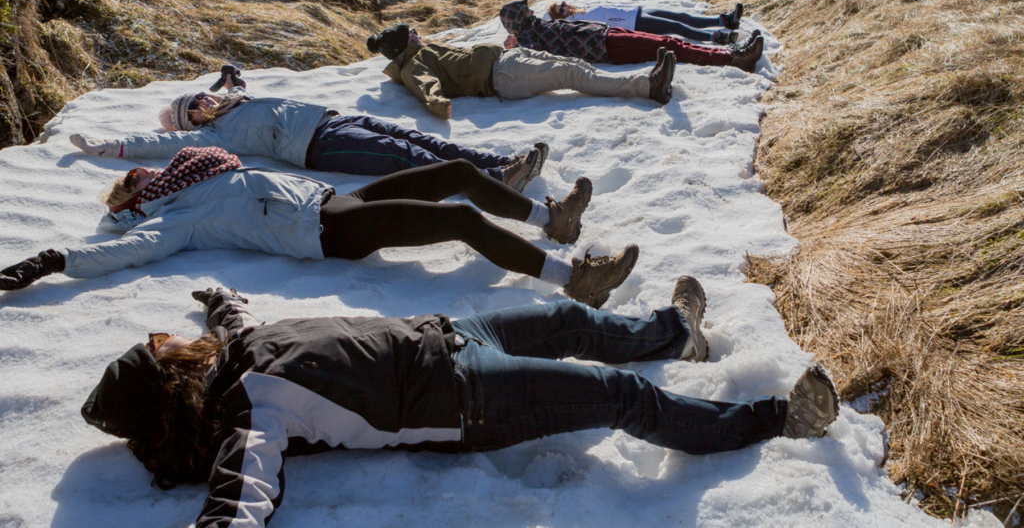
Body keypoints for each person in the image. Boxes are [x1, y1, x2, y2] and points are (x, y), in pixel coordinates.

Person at [80, 280, 840, 528]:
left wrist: (217, 298)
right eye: (159, 343)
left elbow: (234, 318)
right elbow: (241, 499)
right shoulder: (250, 413)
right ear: (169, 374)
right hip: (468, 398)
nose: (169, 335)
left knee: (564, 318)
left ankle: (677, 335)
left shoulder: (237, 351)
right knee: (617, 397)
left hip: (448, 333)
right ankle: (778, 419)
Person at [0, 146, 638, 308]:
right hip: (325, 233)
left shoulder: (201, 172)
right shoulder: (177, 216)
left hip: (335, 202)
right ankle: (572, 280)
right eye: (135, 179)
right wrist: (53, 259)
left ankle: (549, 220)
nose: (148, 172)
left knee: (456, 171)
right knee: (460, 220)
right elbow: (128, 251)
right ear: (135, 199)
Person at [69, 71, 547, 192]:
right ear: (188, 122)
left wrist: (227, 78)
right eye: (194, 107)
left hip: (332, 118)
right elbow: (158, 142)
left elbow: (233, 83)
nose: (204, 102)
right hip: (318, 145)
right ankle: (495, 183)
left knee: (421, 140)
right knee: (405, 156)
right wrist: (107, 147)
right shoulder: (211, 137)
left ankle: (499, 163)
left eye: (201, 96)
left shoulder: (233, 101)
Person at [365, 23, 677, 119]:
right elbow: (425, 86)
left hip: (508, 59)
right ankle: (649, 87)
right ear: (403, 45)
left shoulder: (422, 51)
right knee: (572, 76)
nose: (418, 32)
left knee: (575, 66)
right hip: (503, 77)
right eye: (411, 33)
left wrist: (503, 47)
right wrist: (437, 105)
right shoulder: (413, 65)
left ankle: (648, 78)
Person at [500, 0, 765, 73]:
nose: (530, 9)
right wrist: (514, 45)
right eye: (525, 10)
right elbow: (533, 59)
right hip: (605, 46)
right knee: (669, 43)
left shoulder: (535, 28)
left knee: (670, 40)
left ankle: (730, 51)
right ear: (519, 19)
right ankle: (734, 58)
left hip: (606, 34)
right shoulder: (528, 38)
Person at [546, 1, 745, 45]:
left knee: (681, 17)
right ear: (559, 18)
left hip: (636, 11)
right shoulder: (575, 21)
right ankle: (718, 37)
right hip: (633, 23)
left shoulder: (580, 10)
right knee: (676, 28)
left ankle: (725, 21)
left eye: (562, 4)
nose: (564, 7)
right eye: (560, 11)